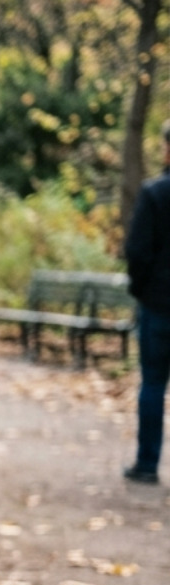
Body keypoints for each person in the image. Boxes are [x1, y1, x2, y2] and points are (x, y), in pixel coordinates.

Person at [124, 120, 170, 486]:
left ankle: (147, 463)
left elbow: (137, 252)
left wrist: (142, 290)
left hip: (158, 305)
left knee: (153, 384)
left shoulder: (154, 193)